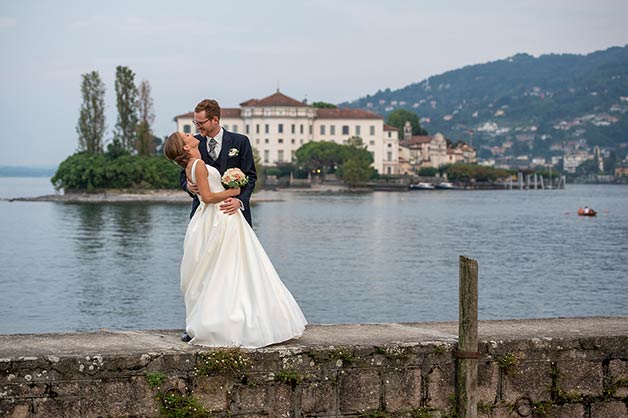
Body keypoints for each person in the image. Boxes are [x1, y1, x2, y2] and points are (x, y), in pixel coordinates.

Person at [164, 132, 307, 348]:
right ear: (185, 147)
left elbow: (213, 188)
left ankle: (226, 318)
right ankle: (233, 320)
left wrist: (235, 195)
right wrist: (232, 191)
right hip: (219, 218)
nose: (190, 133)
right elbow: (209, 197)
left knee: (224, 270)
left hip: (217, 217)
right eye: (185, 135)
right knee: (230, 269)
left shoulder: (196, 163)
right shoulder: (198, 165)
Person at [180, 99, 257, 227]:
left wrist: (240, 201)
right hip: (203, 215)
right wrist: (187, 186)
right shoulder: (193, 143)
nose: (197, 127)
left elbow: (250, 176)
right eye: (195, 122)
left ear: (215, 120)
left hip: (233, 212)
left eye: (201, 123)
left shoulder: (241, 141)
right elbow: (183, 174)